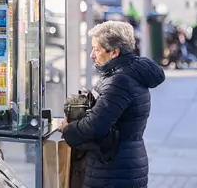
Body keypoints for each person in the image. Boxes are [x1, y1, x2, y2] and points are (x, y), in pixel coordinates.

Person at [61, 21, 165, 188]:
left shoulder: (119, 81)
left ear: (115, 52)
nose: (92, 55)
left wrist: (68, 129)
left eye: (96, 49)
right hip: (123, 165)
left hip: (113, 171)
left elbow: (96, 125)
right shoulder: (126, 74)